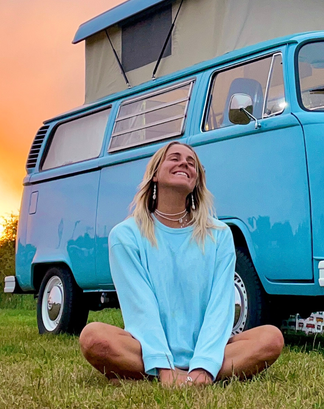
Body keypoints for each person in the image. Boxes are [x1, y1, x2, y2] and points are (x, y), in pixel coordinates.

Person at [79, 141, 284, 387]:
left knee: (271, 338)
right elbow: (140, 308)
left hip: (210, 351)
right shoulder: (125, 235)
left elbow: (220, 305)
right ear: (155, 174)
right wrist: (163, 364)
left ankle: (163, 376)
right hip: (146, 349)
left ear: (196, 181)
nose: (184, 164)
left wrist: (204, 366)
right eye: (175, 158)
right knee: (93, 337)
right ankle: (166, 373)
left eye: (191, 163)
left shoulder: (219, 234)